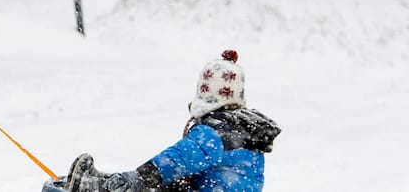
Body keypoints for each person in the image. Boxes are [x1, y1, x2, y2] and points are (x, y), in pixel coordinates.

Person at [59, 50, 279, 192]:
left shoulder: (218, 130)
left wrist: (139, 177)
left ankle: (102, 187)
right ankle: (107, 183)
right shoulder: (241, 126)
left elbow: (178, 159)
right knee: (168, 184)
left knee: (153, 185)